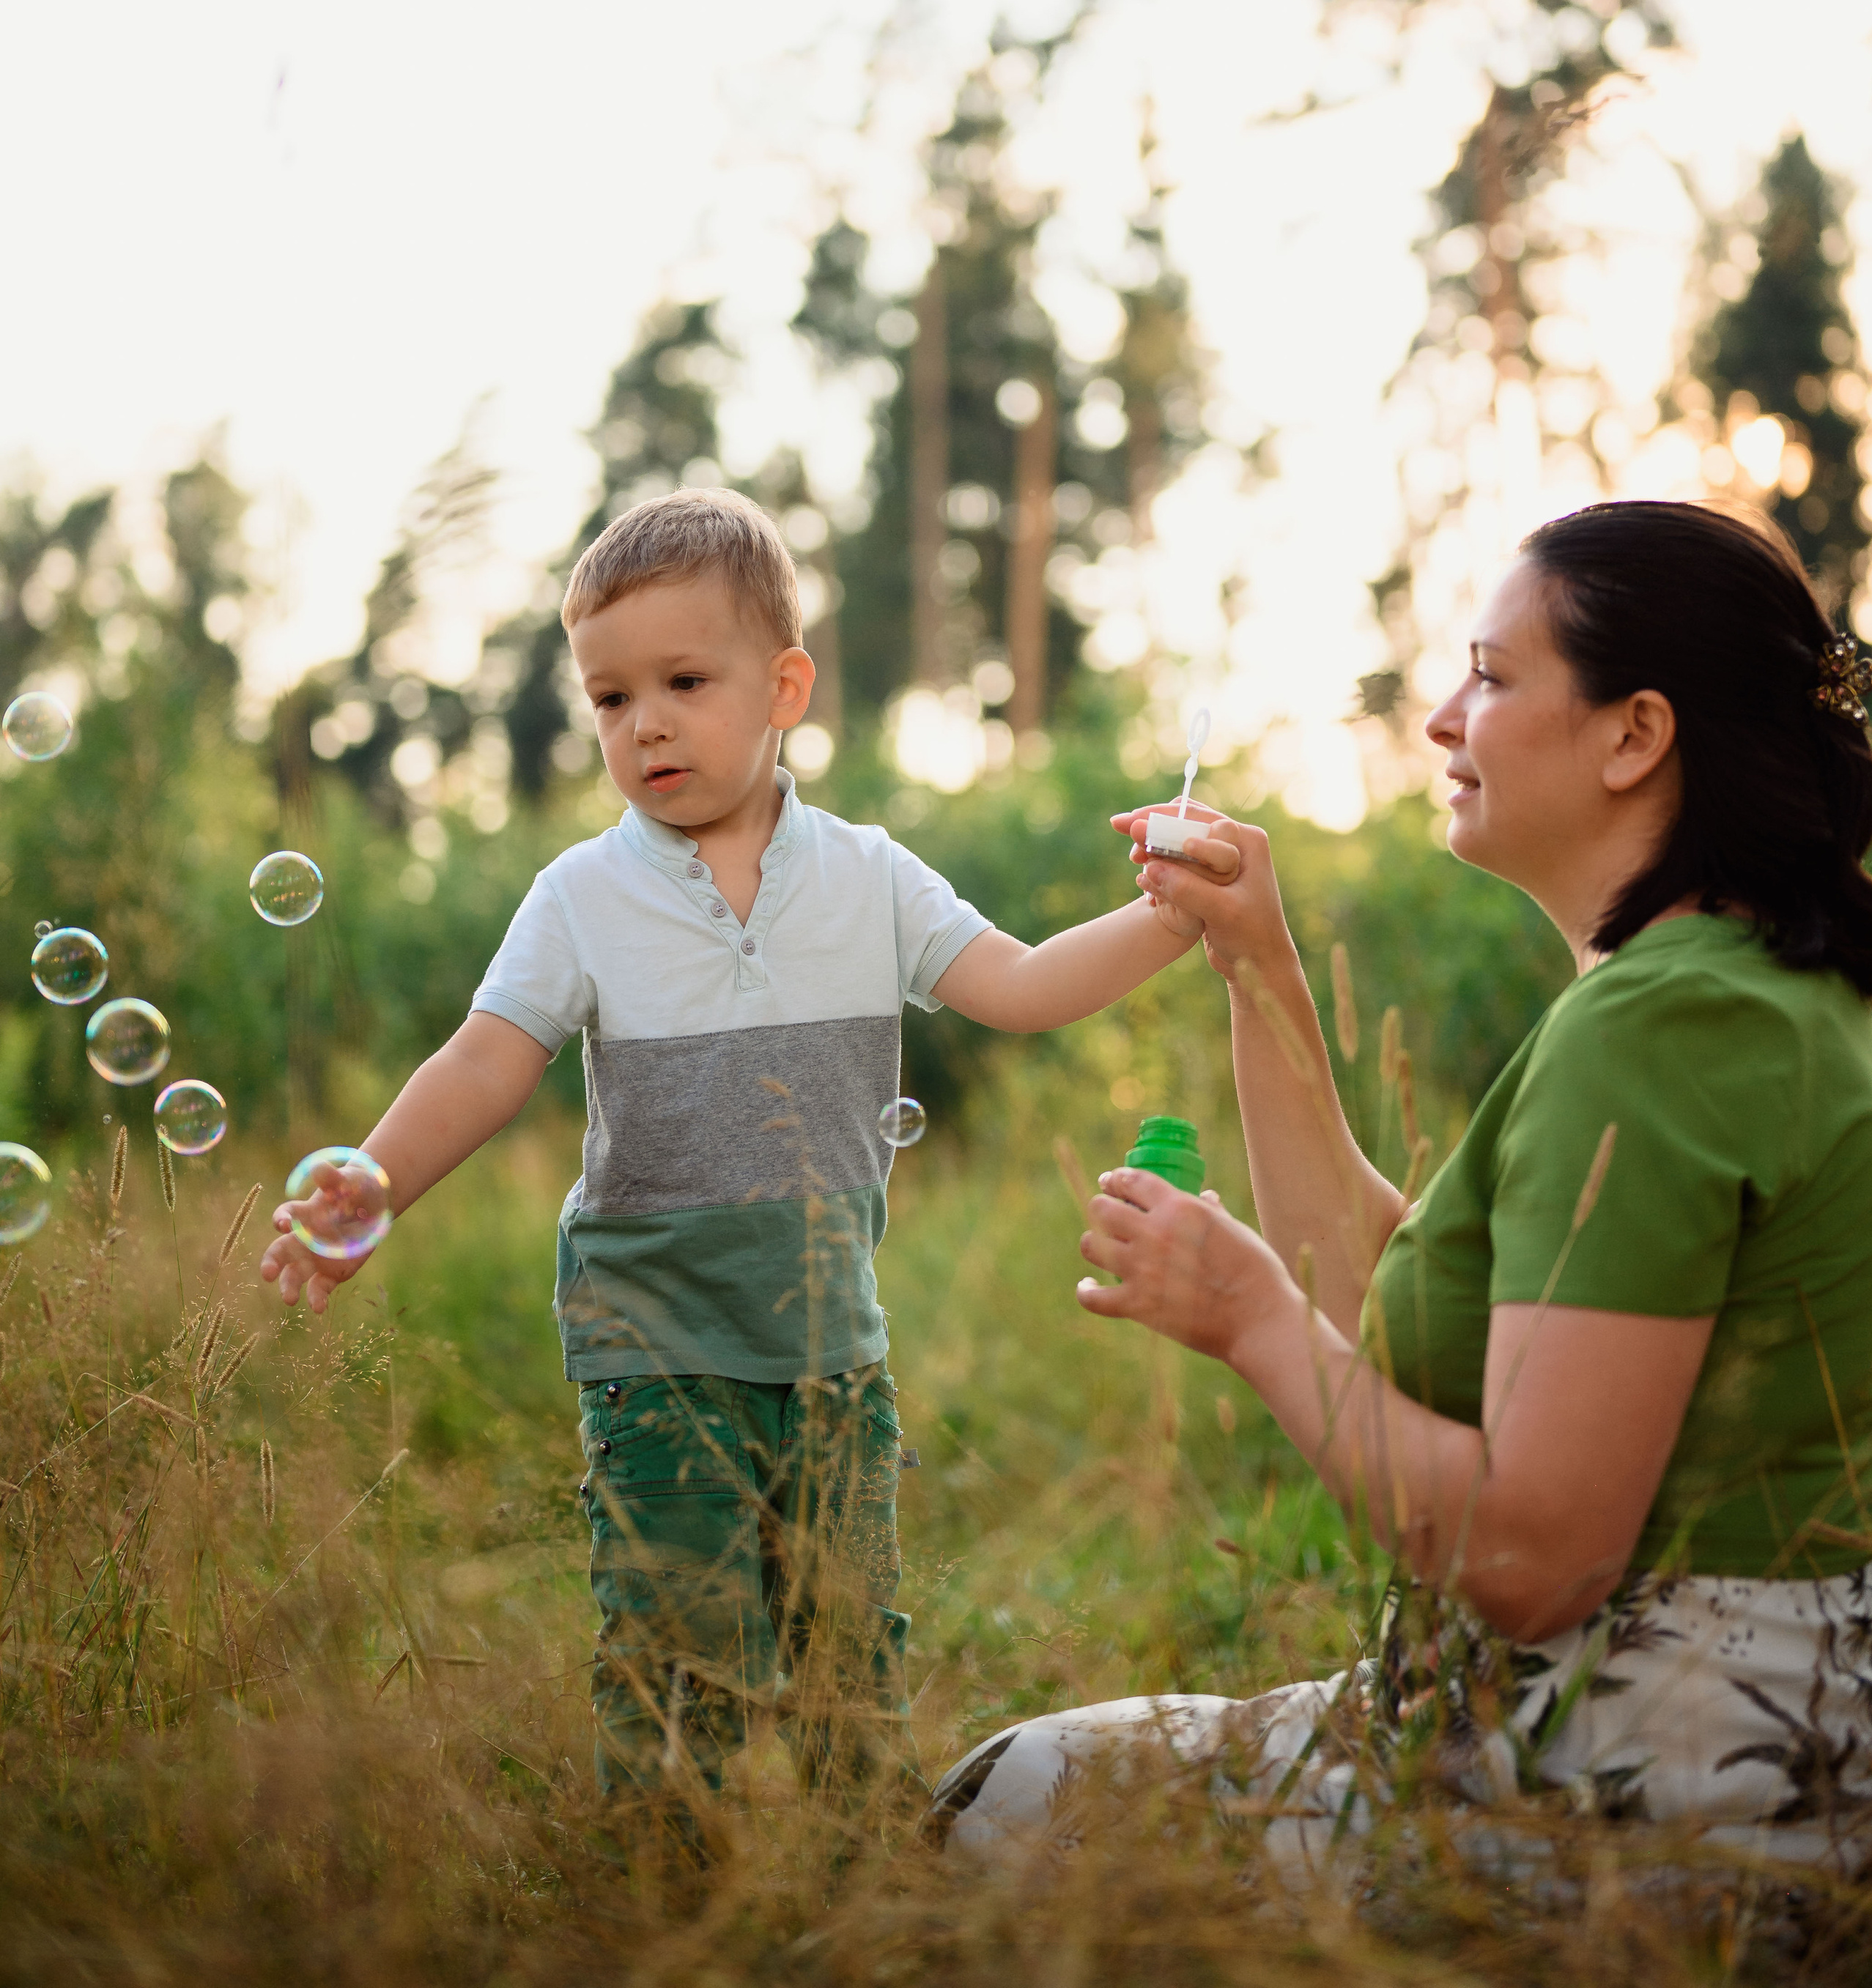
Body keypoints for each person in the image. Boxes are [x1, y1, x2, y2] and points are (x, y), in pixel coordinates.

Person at [931, 500, 1872, 1875]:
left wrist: (1252, 1320)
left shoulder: (1663, 1029)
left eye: (1492, 677)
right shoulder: (1767, 984)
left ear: (1637, 734)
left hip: (1659, 1779)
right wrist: (1258, 963)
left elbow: (1541, 1558)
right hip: (1768, 1739)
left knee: (999, 1807)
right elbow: (1395, 1295)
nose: (1441, 718)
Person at [259, 486, 1225, 1805]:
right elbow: (486, 1059)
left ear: (783, 687)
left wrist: (1169, 924)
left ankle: (850, 1874)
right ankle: (675, 1872)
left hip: (834, 1350)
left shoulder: (874, 876)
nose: (643, 721)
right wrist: (370, 1180)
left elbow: (1024, 984)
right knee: (682, 1644)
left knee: (846, 1647)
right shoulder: (582, 898)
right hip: (653, 1345)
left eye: (682, 680)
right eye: (609, 698)